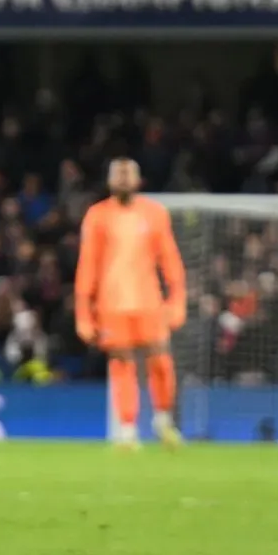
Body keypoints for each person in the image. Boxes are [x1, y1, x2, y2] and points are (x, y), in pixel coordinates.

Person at [74, 159, 187, 449]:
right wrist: (83, 313)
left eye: (128, 174)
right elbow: (88, 266)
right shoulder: (97, 216)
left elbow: (170, 260)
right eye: (118, 175)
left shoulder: (155, 214)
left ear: (139, 180)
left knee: (161, 360)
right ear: (110, 180)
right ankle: (127, 429)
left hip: (149, 302)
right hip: (112, 305)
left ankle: (163, 420)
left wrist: (177, 300)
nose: (123, 179)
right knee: (122, 364)